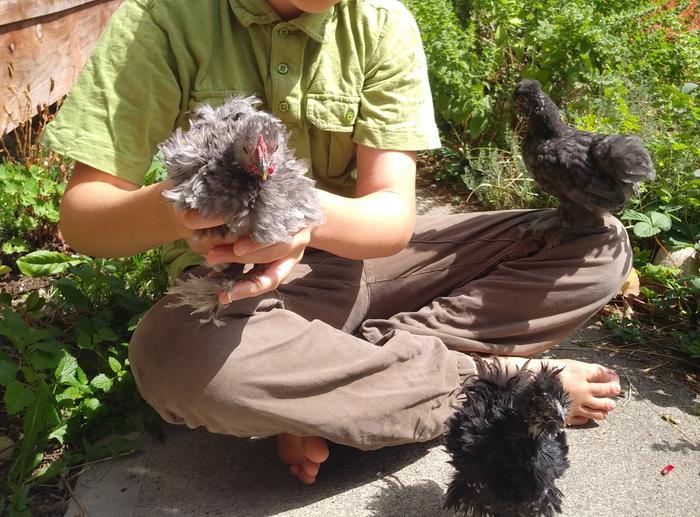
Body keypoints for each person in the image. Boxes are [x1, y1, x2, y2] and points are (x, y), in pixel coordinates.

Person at [43, 0, 626, 486]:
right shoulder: (164, 17)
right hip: (242, 296)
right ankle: (497, 387)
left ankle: (335, 385)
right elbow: (84, 220)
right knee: (173, 359)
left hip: (366, 254)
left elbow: (390, 220)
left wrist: (302, 216)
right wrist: (184, 207)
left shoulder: (381, 21)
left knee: (595, 244)